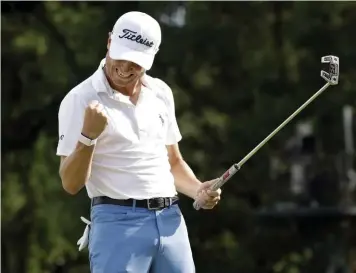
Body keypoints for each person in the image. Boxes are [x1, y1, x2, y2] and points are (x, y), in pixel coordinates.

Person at [56, 11, 222, 273]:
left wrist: (198, 189)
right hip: (117, 224)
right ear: (109, 42)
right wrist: (88, 137)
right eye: (120, 57)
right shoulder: (79, 99)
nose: (124, 68)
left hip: (171, 221)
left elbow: (173, 162)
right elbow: (70, 183)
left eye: (134, 62)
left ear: (151, 58)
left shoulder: (161, 92)